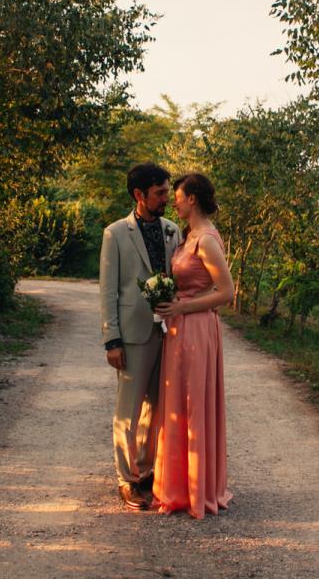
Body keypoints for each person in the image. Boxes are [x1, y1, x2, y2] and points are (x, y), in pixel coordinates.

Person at [99, 162, 183, 511]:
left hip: (167, 333)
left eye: (166, 192)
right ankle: (126, 479)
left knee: (156, 408)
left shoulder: (172, 230)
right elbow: (108, 291)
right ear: (139, 195)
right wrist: (112, 339)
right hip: (132, 335)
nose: (166, 198)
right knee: (128, 410)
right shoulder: (115, 234)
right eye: (160, 192)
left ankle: (147, 472)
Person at [151, 172, 234, 519]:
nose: (174, 201)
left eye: (180, 196)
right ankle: (178, 487)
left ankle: (198, 489)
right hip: (179, 330)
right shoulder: (188, 236)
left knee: (194, 403)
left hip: (198, 329)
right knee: (177, 404)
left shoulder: (207, 240)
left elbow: (227, 292)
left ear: (193, 199)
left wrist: (182, 306)